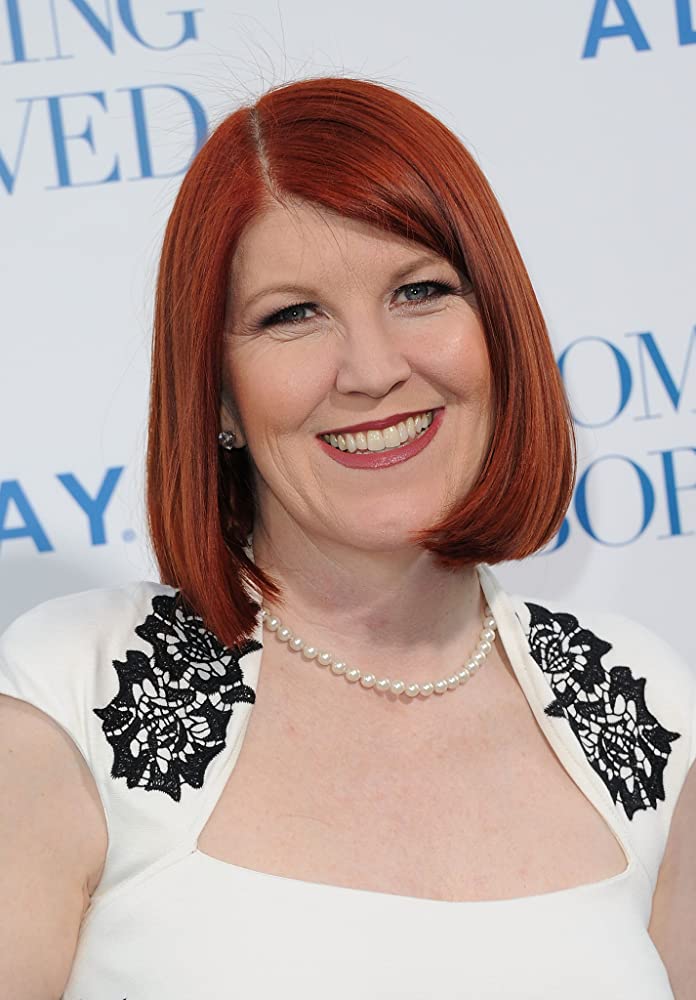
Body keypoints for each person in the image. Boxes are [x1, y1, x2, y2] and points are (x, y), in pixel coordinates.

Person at [0, 75, 693, 1000]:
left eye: (420, 291)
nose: (371, 370)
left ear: (499, 329)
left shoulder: (648, 705)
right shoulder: (71, 695)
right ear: (217, 395)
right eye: (293, 315)